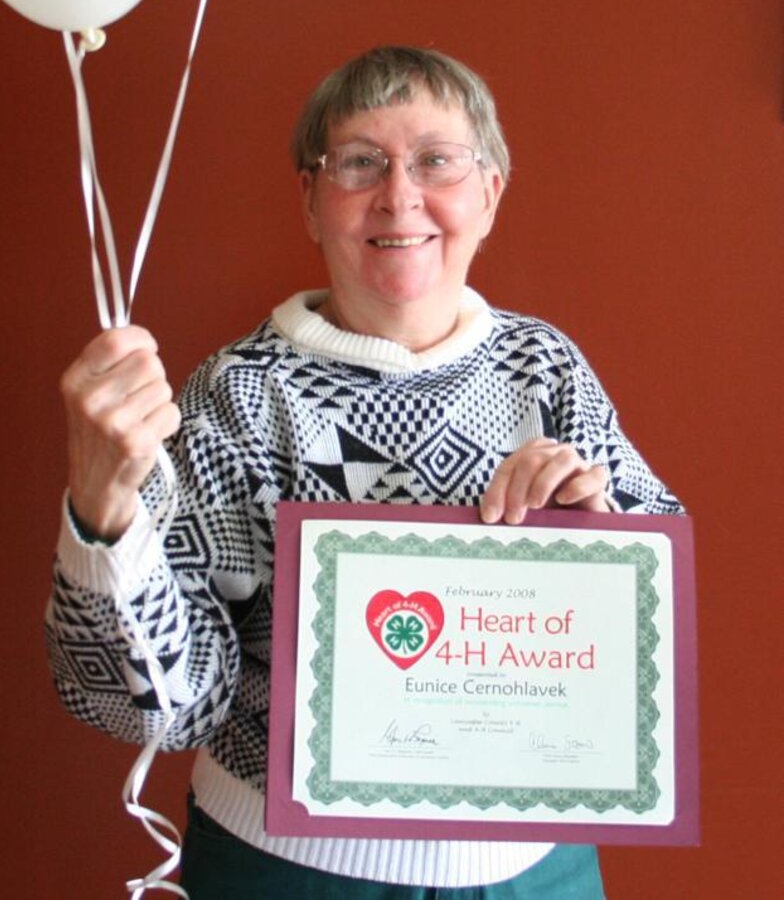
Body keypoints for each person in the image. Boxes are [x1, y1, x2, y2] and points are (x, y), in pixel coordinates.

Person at [47, 46, 683, 899]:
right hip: (286, 872)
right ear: (310, 201)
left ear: (488, 194)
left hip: (535, 873)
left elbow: (655, 622)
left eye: (437, 161)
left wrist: (595, 530)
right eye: (358, 162)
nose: (399, 194)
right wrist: (104, 517)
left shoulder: (546, 368)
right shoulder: (239, 395)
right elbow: (161, 707)